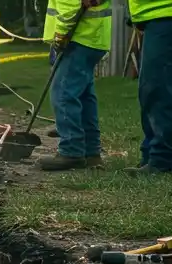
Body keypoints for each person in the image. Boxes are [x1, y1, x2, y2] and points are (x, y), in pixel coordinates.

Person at [126, 0, 172, 175]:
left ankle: (163, 160)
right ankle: (151, 155)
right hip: (161, 16)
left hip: (171, 16)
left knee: (159, 91)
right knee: (150, 91)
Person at [39, 0, 113, 171]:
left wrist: (60, 36)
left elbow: (69, 5)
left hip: (78, 37)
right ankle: (91, 152)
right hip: (93, 37)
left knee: (63, 93)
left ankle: (71, 151)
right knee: (85, 96)